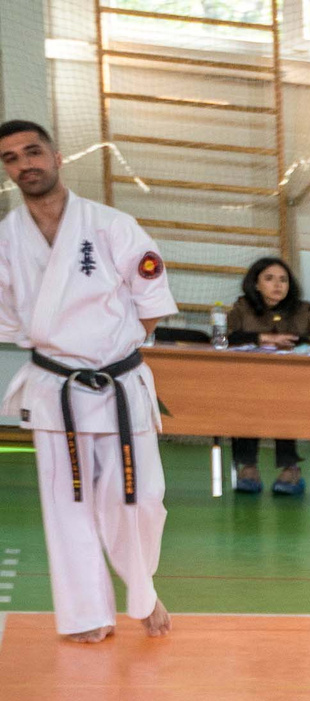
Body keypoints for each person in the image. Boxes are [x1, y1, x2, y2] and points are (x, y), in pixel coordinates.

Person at [0, 118, 175, 643]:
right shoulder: (5, 238)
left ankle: (142, 590)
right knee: (66, 505)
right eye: (11, 158)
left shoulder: (112, 226)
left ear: (57, 158)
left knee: (143, 497)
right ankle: (86, 617)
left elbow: (150, 306)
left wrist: (110, 352)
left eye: (33, 152)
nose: (25, 163)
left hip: (119, 385)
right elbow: (10, 318)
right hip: (56, 388)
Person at [225, 255, 310, 496]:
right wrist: (261, 338)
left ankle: (290, 468)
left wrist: (295, 341)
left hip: (292, 383)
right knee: (245, 400)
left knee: (285, 401)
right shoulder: (242, 308)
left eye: (283, 280)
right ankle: (248, 467)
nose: (277, 285)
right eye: (270, 279)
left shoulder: (302, 310)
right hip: (250, 381)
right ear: (255, 284)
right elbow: (225, 337)